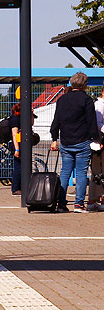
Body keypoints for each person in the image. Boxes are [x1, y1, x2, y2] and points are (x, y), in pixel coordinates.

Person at [50, 72, 99, 212]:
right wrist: (96, 138)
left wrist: (54, 139)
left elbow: (56, 121)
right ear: (85, 85)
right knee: (81, 173)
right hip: (82, 141)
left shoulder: (62, 100)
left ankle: (61, 203)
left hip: (66, 141)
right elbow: (91, 122)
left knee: (65, 172)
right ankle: (78, 204)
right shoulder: (87, 100)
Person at [89, 89, 104, 211]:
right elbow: (98, 124)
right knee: (98, 170)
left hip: (99, 141)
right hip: (99, 142)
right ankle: (94, 199)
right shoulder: (99, 105)